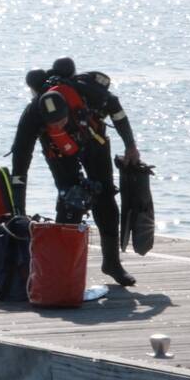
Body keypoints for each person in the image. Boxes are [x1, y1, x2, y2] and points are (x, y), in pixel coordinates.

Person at [11, 57, 141, 286]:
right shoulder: (32, 116)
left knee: (106, 199)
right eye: (53, 125)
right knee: (71, 199)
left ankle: (112, 263)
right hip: (58, 153)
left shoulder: (89, 93)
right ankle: (62, 267)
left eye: (61, 122)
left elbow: (118, 113)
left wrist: (130, 146)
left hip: (93, 139)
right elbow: (20, 168)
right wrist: (18, 211)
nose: (58, 127)